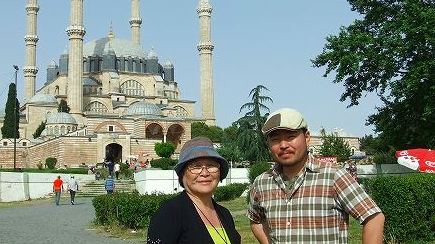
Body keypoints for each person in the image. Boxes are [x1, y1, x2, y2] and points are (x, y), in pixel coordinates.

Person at [248, 108, 385, 244]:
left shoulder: (333, 176)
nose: (283, 145)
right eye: (275, 139)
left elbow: (373, 217)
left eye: (290, 137)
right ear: (268, 144)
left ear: (307, 137)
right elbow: (255, 219)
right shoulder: (262, 182)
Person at [147, 137, 241, 244]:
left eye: (211, 166)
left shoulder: (224, 214)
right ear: (182, 174)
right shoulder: (170, 212)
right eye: (196, 166)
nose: (204, 173)